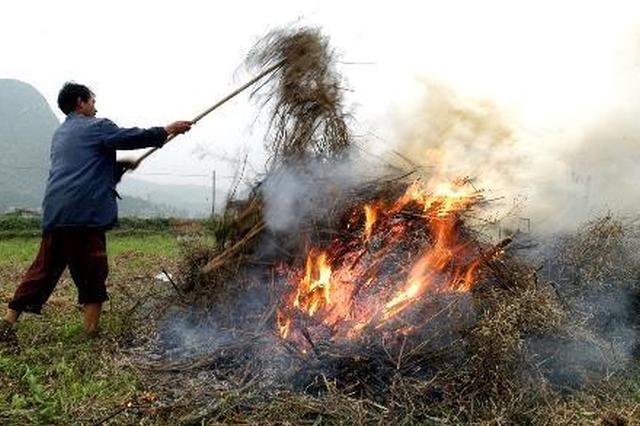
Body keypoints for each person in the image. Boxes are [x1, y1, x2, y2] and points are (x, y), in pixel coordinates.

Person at [0, 82, 192, 344]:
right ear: (80, 102)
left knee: (42, 270)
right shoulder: (96, 126)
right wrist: (167, 130)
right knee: (93, 271)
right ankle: (90, 333)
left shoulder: (61, 134)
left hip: (56, 214)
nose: (96, 106)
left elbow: (83, 172)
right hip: (84, 216)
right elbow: (128, 137)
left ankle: (8, 323)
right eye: (92, 101)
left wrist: (117, 169)